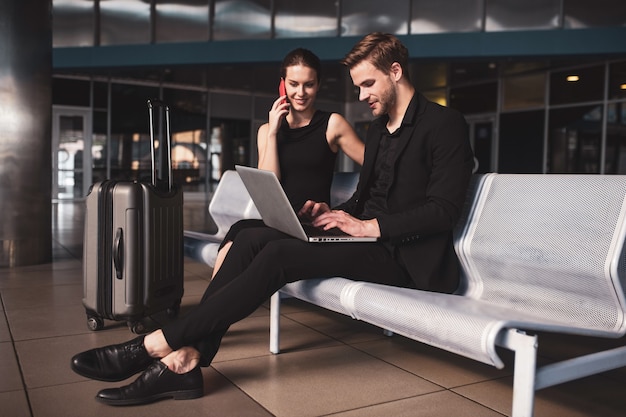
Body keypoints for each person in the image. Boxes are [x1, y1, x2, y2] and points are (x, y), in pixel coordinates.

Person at [70, 32, 475, 406]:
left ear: (396, 71)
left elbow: (444, 210)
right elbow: (367, 196)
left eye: (368, 84)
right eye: (357, 87)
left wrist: (369, 227)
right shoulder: (378, 131)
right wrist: (337, 213)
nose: (362, 94)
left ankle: (155, 347)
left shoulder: (444, 125)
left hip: (402, 257)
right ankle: (186, 361)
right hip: (364, 241)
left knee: (278, 256)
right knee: (249, 240)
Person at [211, 47, 364, 279]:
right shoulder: (266, 131)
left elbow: (375, 165)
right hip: (279, 223)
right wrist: (273, 132)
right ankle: (212, 307)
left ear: (318, 84)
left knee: (244, 234)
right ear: (282, 85)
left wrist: (348, 211)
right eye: (293, 84)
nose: (300, 92)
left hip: (313, 225)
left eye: (308, 84)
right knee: (239, 230)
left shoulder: (333, 124)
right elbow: (268, 182)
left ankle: (211, 309)